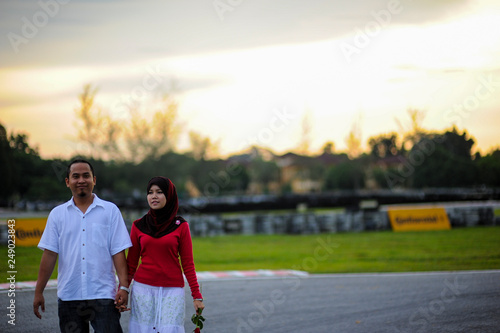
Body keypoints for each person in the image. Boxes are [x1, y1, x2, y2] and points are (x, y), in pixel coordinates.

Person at [33, 159, 132, 333]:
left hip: (103, 297)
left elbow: (118, 252)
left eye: (86, 176)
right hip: (69, 296)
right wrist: (38, 291)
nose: (81, 180)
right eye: (75, 176)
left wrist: (123, 287)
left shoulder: (110, 211)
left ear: (94, 180)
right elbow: (49, 255)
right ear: (67, 182)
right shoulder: (57, 215)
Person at [126, 176, 205, 333]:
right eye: (150, 192)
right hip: (143, 289)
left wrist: (197, 296)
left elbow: (188, 263)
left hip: (172, 290)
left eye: (159, 192)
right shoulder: (138, 225)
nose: (154, 196)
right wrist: (123, 289)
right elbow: (131, 263)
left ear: (169, 196)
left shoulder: (181, 226)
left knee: (170, 329)